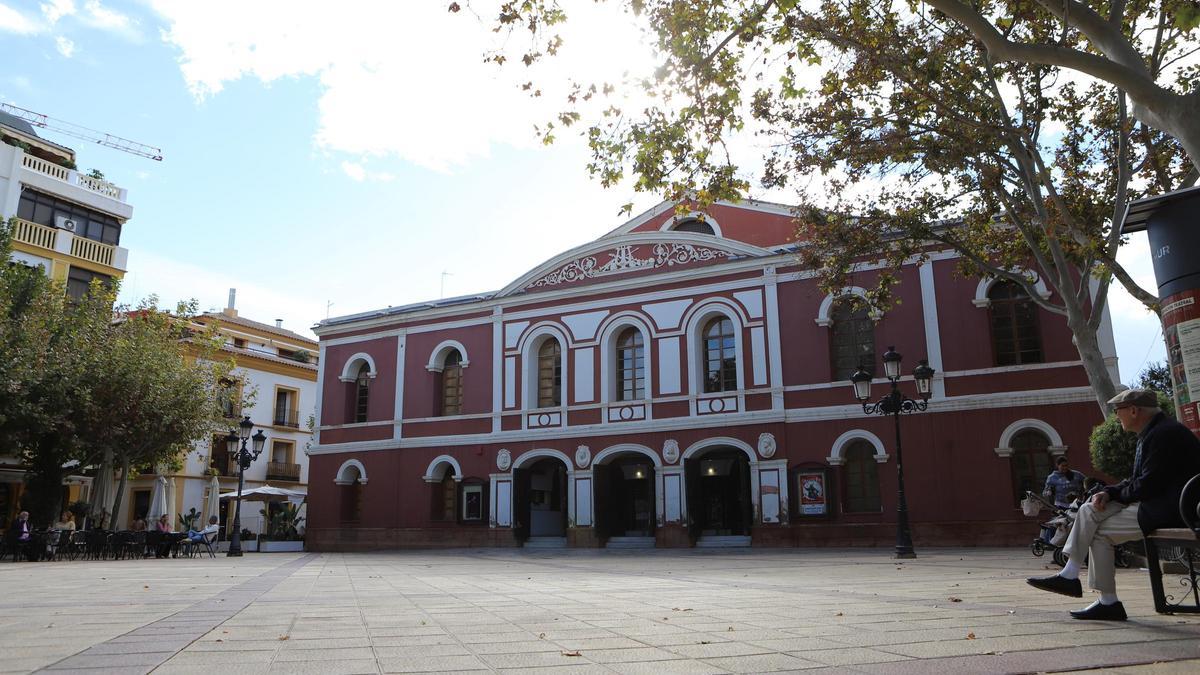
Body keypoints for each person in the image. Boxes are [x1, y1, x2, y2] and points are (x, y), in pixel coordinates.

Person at [1027, 389, 1200, 620]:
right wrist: (1107, 492)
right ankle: (1071, 575)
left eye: (1117, 411)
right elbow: (1139, 481)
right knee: (1089, 507)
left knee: (1099, 533)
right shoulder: (1153, 432)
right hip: (1156, 502)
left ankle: (1105, 599)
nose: (1116, 416)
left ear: (1134, 410)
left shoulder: (1163, 434)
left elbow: (1146, 485)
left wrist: (1113, 494)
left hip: (1170, 509)